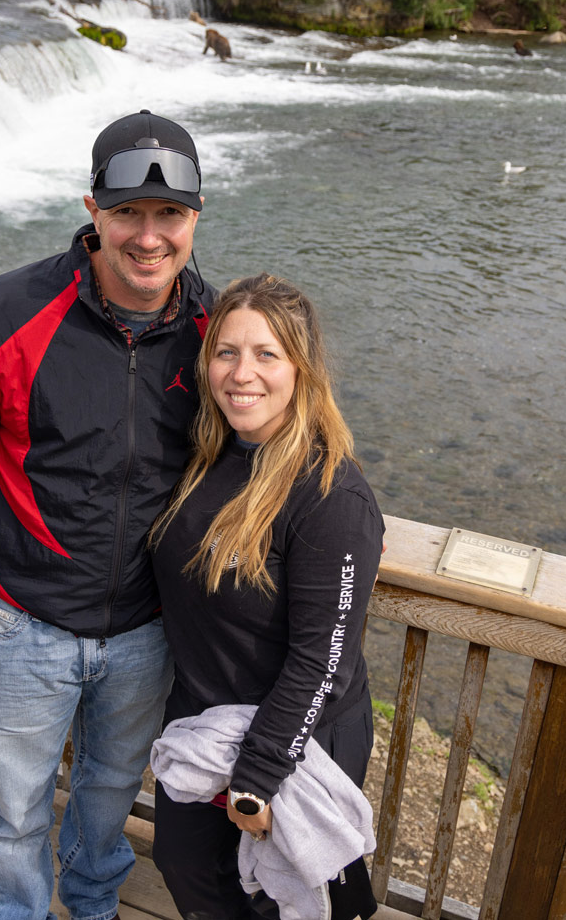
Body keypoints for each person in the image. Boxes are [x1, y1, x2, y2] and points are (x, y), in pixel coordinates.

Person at [0, 109, 215, 920]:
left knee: (112, 790)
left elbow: (269, 452)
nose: (148, 238)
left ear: (197, 217)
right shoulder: (3, 310)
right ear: (92, 212)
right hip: (22, 618)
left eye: (169, 216)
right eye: (127, 214)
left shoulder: (222, 332)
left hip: (150, 625)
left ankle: (92, 898)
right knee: (15, 806)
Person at [149, 273, 385, 920]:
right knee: (189, 865)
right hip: (205, 720)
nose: (241, 372)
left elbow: (324, 659)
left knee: (290, 894)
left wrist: (258, 775)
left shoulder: (331, 495)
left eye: (266, 354)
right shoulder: (212, 452)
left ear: (301, 369)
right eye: (226, 351)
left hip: (295, 736)